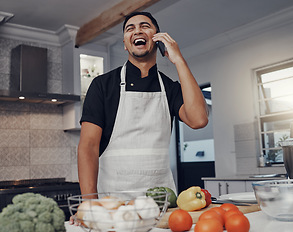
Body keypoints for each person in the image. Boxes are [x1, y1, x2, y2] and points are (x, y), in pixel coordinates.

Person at [77, 11, 208, 199]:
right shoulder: (102, 85)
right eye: (130, 28)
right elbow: (88, 146)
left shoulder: (170, 88)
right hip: (114, 201)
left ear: (158, 39)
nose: (137, 31)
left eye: (145, 26)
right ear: (125, 44)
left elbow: (199, 119)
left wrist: (179, 59)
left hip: (162, 202)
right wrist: (89, 204)